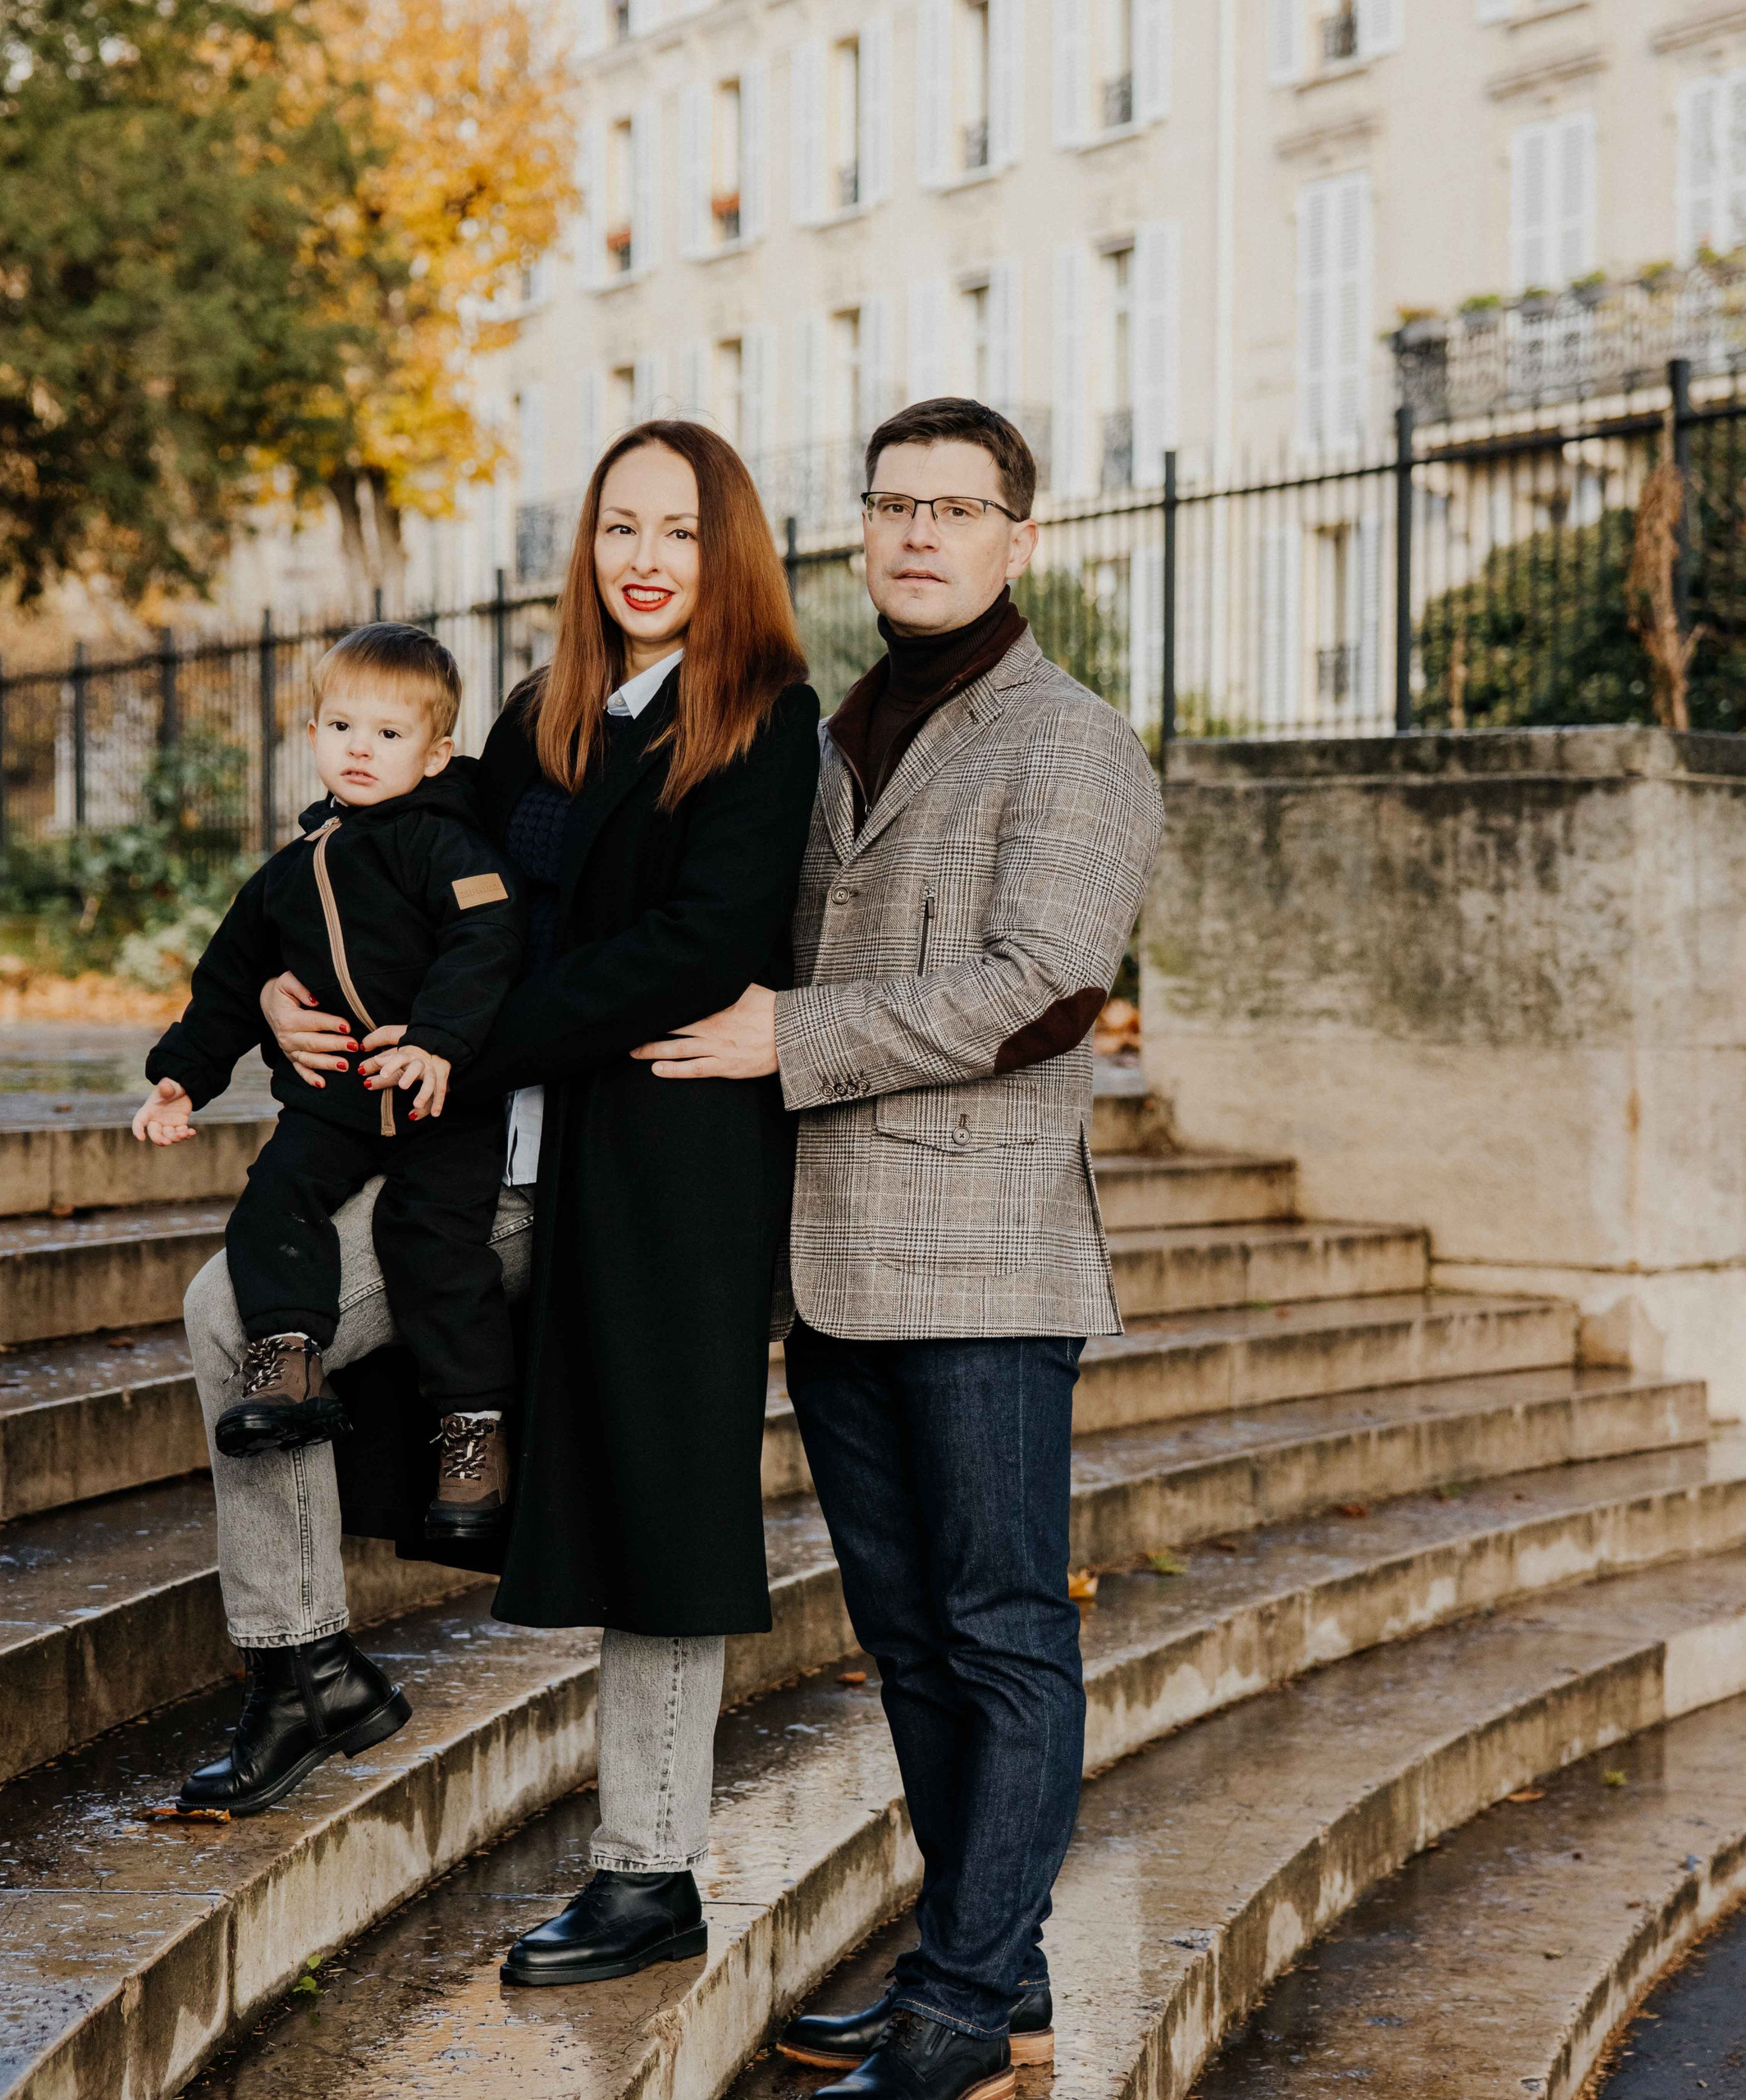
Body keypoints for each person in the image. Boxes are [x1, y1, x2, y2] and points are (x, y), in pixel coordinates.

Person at [174, 425, 820, 1996]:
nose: (645, 558)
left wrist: (469, 1035)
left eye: (680, 530)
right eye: (620, 527)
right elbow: (384, 835)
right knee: (238, 1310)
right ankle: (302, 1664)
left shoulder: (764, 719)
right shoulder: (546, 711)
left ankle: (649, 1872)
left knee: (660, 1512)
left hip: (656, 1169)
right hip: (483, 1160)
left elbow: (696, 944)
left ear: (729, 549)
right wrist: (284, 985)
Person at [639, 398, 1164, 2100]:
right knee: (914, 1639)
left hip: (986, 1264)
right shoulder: (829, 732)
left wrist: (789, 1035)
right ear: (862, 533)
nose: (920, 532)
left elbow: (1044, 987)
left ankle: (959, 2004)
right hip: (834, 1259)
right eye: (894, 506)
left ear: (1021, 537)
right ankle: (992, 1977)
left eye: (957, 507)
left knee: (1003, 1632)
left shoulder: (1070, 740)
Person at [135, 623, 527, 1564]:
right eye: (342, 726)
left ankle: (473, 1431)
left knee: (430, 1239)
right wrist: (180, 1076)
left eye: (389, 734)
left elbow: (487, 943)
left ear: (435, 753)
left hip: (441, 1104)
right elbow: (230, 982)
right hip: (335, 1103)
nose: (360, 747)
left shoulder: (448, 845)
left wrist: (437, 1040)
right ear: (312, 734)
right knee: (275, 1200)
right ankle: (288, 1357)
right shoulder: (291, 869)